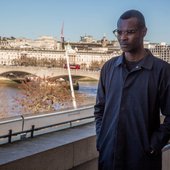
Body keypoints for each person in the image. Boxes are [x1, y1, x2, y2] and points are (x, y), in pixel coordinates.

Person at [94, 9, 170, 170]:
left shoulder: (162, 70)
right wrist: (102, 139)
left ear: (144, 32)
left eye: (130, 32)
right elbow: (99, 109)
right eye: (119, 32)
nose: (123, 37)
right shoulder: (108, 68)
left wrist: (154, 145)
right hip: (109, 158)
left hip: (143, 161)